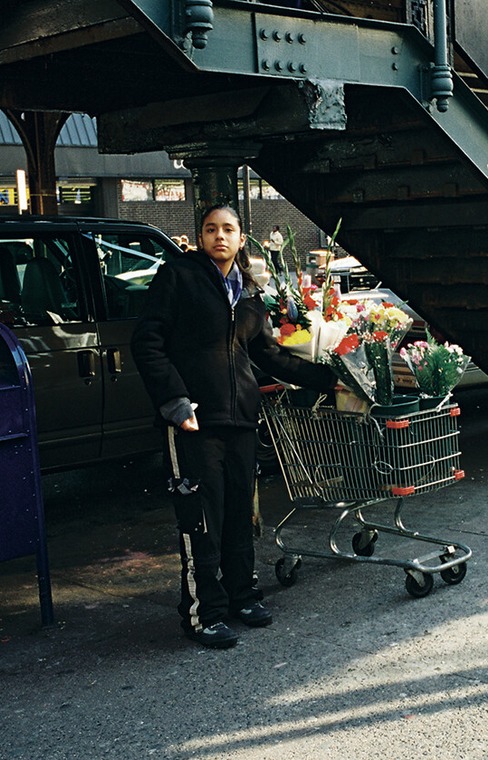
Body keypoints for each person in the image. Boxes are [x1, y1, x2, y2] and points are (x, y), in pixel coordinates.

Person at [132, 204, 337, 649]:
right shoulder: (178, 277)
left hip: (241, 418)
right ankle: (203, 613)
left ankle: (243, 596)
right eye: (210, 230)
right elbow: (147, 342)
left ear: (242, 239)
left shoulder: (247, 292)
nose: (219, 237)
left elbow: (269, 355)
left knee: (240, 514)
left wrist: (331, 375)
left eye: (228, 230)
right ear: (200, 236)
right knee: (202, 518)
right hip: (193, 421)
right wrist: (175, 401)